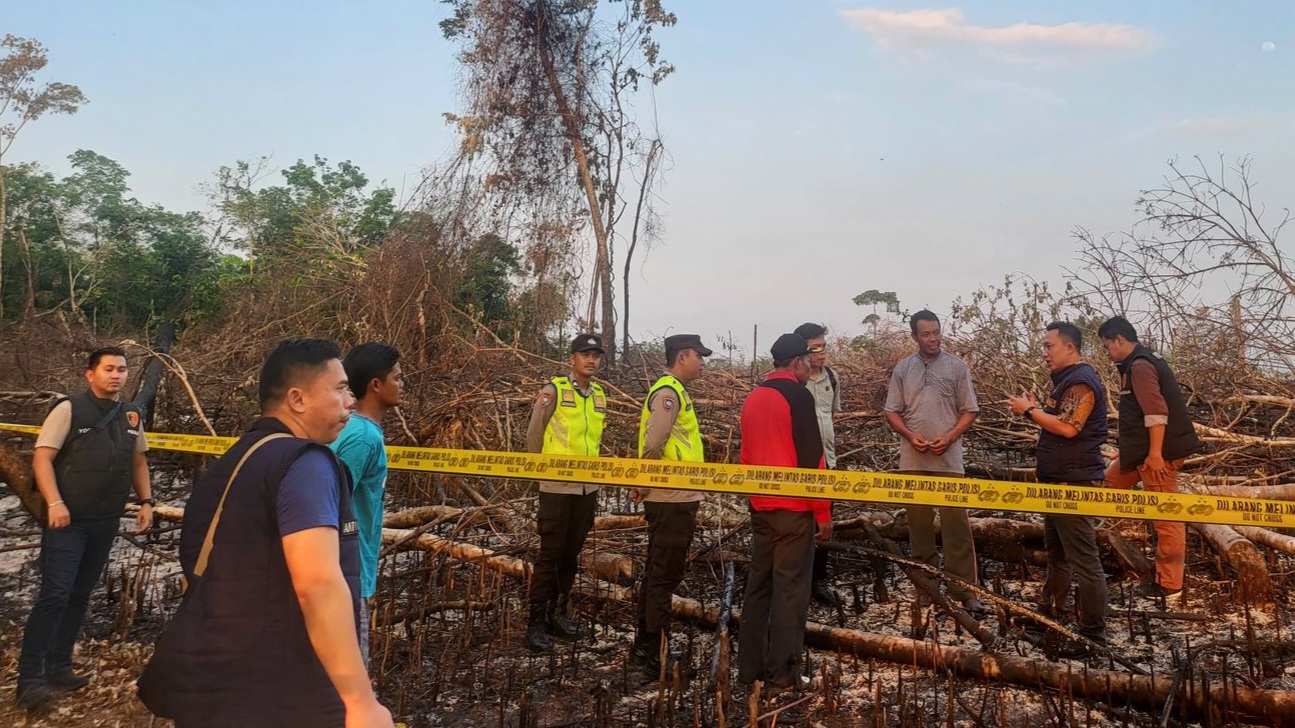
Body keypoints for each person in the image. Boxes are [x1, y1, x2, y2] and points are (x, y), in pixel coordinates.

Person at [144, 339, 392, 728]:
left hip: (213, 677)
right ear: (297, 399)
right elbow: (318, 584)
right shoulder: (306, 463)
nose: (350, 401)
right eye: (340, 389)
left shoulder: (236, 458)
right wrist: (360, 702)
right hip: (281, 688)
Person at [17, 347, 153, 709]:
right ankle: (29, 680)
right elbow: (42, 458)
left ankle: (59, 667)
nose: (117, 375)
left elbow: (138, 460)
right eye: (109, 369)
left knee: (79, 594)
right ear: (89, 374)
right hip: (68, 520)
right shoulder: (68, 409)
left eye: (122, 370)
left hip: (105, 519)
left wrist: (146, 502)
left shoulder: (131, 415)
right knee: (55, 594)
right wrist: (55, 503)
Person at [737, 333, 833, 695]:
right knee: (791, 593)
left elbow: (745, 456)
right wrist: (822, 512)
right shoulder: (798, 396)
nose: (812, 367)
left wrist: (754, 499)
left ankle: (750, 671)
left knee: (759, 588)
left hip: (761, 508)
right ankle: (783, 676)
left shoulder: (754, 397)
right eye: (808, 361)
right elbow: (813, 459)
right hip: (794, 511)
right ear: (796, 363)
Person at [1008, 322, 1110, 655]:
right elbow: (1057, 420)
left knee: (1084, 559)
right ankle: (1051, 615)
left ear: (1070, 347)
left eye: (1049, 346)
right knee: (1058, 554)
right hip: (1057, 480)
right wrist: (1037, 411)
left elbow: (1068, 428)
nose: (1045, 353)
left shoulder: (1081, 382)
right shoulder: (1066, 382)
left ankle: (1092, 637)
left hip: (1074, 482)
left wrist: (1030, 411)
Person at [883, 310, 985, 615]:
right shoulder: (903, 369)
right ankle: (926, 588)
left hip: (949, 461)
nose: (933, 339)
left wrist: (951, 436)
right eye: (926, 334)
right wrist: (910, 435)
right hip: (913, 460)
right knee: (919, 527)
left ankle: (964, 590)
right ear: (915, 337)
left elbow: (970, 411)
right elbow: (891, 412)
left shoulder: (957, 367)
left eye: (937, 332)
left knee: (956, 526)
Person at [1098, 316, 1202, 600]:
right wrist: (1131, 449)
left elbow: (1156, 413)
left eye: (1107, 346)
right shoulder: (1137, 363)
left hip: (1160, 456)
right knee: (1108, 485)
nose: (1107, 353)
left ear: (1119, 339)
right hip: (1142, 453)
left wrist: (1155, 454)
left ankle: (1169, 585)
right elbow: (1138, 415)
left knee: (1167, 519)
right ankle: (1115, 542)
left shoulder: (1141, 366)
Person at [631, 333, 712, 677]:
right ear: (682, 357)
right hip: (671, 497)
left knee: (657, 574)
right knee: (664, 576)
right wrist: (645, 479)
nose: (703, 362)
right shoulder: (668, 393)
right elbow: (654, 443)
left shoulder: (676, 391)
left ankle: (645, 646)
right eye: (699, 356)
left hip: (677, 494)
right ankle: (657, 655)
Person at [523, 333, 608, 651]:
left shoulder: (599, 395)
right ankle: (534, 623)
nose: (591, 360)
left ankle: (557, 615)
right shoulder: (553, 390)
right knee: (550, 556)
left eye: (596, 355)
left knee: (571, 556)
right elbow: (535, 434)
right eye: (585, 354)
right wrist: (541, 474)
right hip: (557, 487)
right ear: (572, 358)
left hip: (587, 488)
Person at [330, 342, 404, 668]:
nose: (402, 385)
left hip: (346, 568)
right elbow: (331, 503)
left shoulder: (355, 429)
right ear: (376, 384)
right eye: (397, 378)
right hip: (348, 570)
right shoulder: (362, 437)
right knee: (351, 672)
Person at [794, 322, 843, 608]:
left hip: (829, 465)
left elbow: (830, 418)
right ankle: (798, 582)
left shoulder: (832, 378)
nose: (821, 353)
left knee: (824, 524)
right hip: (799, 467)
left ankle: (819, 580)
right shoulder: (794, 381)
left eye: (824, 346)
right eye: (815, 347)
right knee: (800, 525)